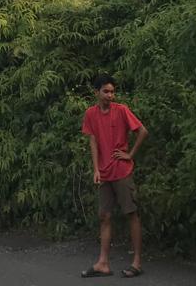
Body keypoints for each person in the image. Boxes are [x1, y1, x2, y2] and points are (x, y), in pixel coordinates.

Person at [80, 74, 148, 279]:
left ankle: (136, 262)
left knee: (131, 213)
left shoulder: (121, 110)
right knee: (105, 216)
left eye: (112, 91)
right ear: (97, 92)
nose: (110, 95)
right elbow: (93, 141)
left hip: (122, 170)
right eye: (106, 91)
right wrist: (96, 169)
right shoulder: (91, 114)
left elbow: (143, 131)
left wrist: (130, 154)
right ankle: (103, 263)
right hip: (104, 171)